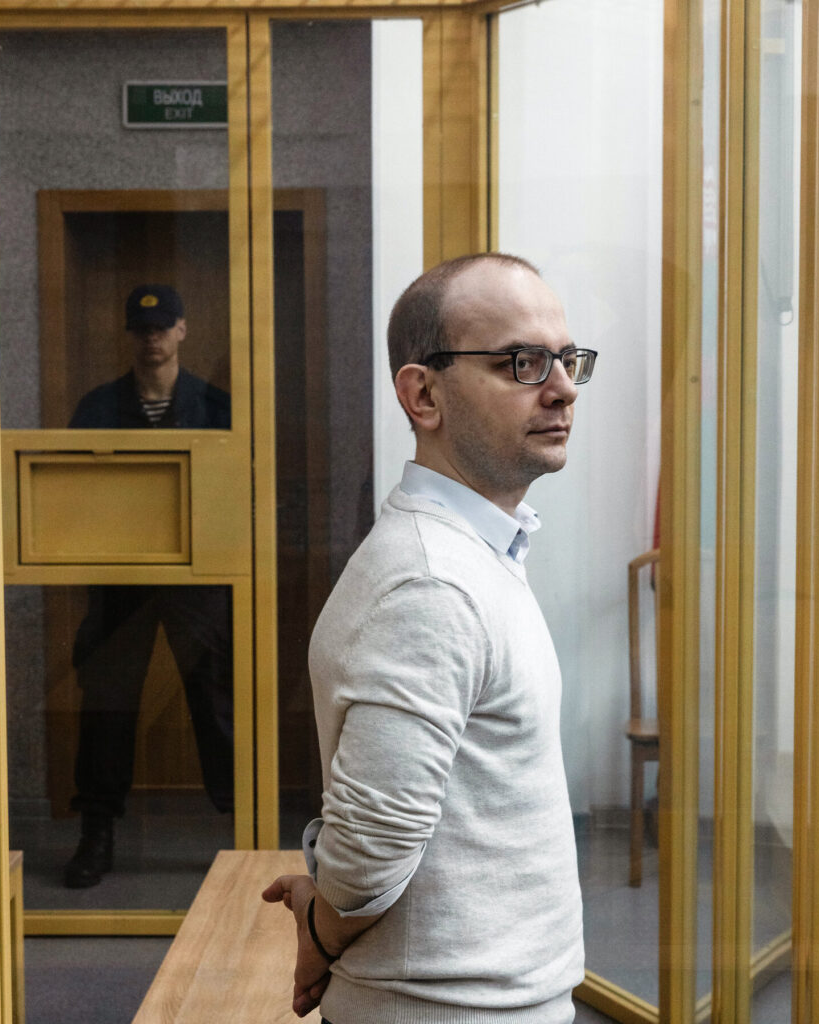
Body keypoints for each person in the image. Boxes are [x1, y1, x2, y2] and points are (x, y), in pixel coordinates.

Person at [263, 253, 596, 1022]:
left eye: (567, 359)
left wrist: (323, 909)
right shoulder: (431, 585)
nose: (564, 387)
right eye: (523, 362)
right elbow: (372, 849)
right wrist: (319, 924)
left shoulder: (472, 554)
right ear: (423, 395)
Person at [63, 284, 234, 889]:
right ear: (129, 336)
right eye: (142, 329)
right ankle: (98, 832)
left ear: (183, 330)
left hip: (199, 575)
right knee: (108, 704)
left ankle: (246, 833)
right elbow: (70, 496)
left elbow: (240, 495)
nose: (153, 337)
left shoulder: (217, 406)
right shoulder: (98, 407)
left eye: (163, 326)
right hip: (121, 575)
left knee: (218, 703)